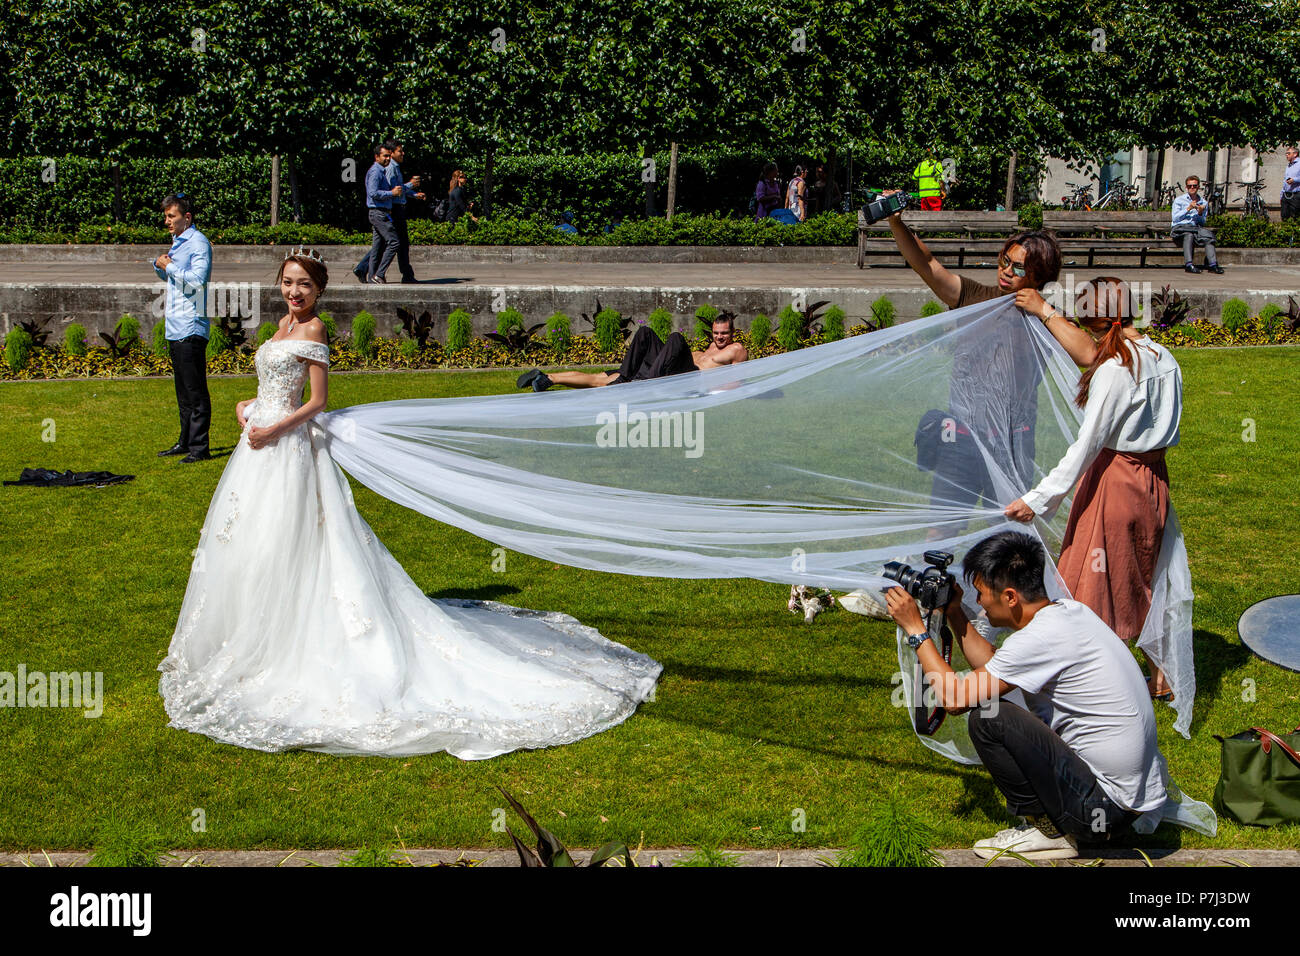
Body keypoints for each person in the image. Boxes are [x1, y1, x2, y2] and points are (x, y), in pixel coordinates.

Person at [158, 248, 661, 758]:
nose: (295, 292)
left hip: (285, 447)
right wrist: (249, 407)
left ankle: (293, 641)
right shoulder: (283, 326)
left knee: (294, 543)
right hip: (258, 447)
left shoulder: (312, 332)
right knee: (249, 544)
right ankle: (246, 639)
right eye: (288, 283)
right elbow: (271, 386)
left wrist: (274, 425)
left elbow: (315, 403)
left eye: (304, 285)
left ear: (320, 290)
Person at [884, 530, 1167, 860]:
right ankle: (1060, 822)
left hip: (1099, 812)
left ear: (1010, 597)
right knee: (994, 703)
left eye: (981, 594)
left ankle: (1051, 833)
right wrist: (956, 613)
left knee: (989, 718)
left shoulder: (1042, 638)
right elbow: (996, 667)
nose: (979, 603)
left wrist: (917, 632)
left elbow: (956, 699)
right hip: (1127, 802)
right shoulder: (1070, 613)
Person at [1004, 277, 1183, 700]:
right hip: (1154, 480)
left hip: (1117, 481)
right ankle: (1158, 675)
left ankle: (1098, 681)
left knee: (1095, 578)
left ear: (1095, 321)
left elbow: (1086, 445)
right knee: (1142, 572)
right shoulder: (1164, 356)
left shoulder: (1116, 369)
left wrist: (1038, 499)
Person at [517, 312, 748, 391]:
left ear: (732, 333)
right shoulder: (708, 348)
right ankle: (547, 379)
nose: (719, 337)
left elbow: (738, 383)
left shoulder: (736, 349)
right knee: (645, 334)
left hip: (688, 378)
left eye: (724, 334)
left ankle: (639, 383)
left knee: (676, 338)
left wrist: (708, 390)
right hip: (666, 372)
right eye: (716, 333)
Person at [152, 192, 213, 464]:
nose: (167, 221)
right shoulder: (178, 241)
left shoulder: (198, 243)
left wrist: (170, 265)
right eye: (166, 216)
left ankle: (200, 447)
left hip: (191, 325)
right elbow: (172, 275)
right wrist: (160, 266)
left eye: (171, 216)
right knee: (183, 391)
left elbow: (197, 280)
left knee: (196, 390)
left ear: (186, 217)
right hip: (175, 326)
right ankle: (185, 441)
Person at [352, 140, 424, 283]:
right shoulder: (385, 169)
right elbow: (387, 191)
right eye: (399, 151)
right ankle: (383, 274)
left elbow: (395, 189)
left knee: (384, 244)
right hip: (390, 210)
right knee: (395, 242)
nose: (402, 154)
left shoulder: (386, 169)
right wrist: (409, 186)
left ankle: (370, 274)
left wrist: (413, 194)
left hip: (388, 208)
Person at [358, 144, 403, 284]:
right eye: (385, 156)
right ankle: (379, 274)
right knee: (394, 242)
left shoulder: (381, 171)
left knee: (377, 248)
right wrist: (391, 193)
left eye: (389, 156)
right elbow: (373, 193)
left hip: (380, 213)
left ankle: (373, 278)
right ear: (376, 157)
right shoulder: (376, 172)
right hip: (379, 213)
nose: (388, 159)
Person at [1170, 176, 1223, 274]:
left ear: (1198, 187)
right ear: (1186, 187)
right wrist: (1188, 208)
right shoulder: (1179, 200)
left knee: (1208, 237)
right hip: (1180, 228)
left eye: (1194, 186)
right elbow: (1175, 218)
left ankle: (1212, 265)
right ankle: (1189, 265)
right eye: (1190, 186)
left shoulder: (1203, 202)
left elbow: (1202, 223)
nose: (1192, 188)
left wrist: (1200, 213)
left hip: (1195, 229)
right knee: (1188, 235)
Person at [1282, 145, 1300, 221]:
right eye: (1286, 153)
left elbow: (1294, 179)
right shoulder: (1289, 165)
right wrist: (1281, 194)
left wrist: (1294, 180)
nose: (1286, 155)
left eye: (1289, 153)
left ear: (1295, 154)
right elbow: (1285, 181)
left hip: (1296, 196)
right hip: (1286, 195)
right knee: (1284, 217)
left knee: (1295, 217)